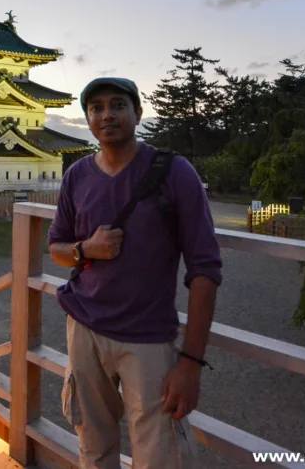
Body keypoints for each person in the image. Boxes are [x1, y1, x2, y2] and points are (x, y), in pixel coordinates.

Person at [47, 77, 223, 469]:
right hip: (85, 329)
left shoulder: (175, 172)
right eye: (96, 108)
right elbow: (56, 247)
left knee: (160, 454)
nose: (106, 114)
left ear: (137, 113)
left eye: (117, 105)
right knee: (93, 446)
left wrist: (191, 363)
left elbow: (205, 269)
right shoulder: (77, 175)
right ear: (88, 120)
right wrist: (84, 249)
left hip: (147, 339)